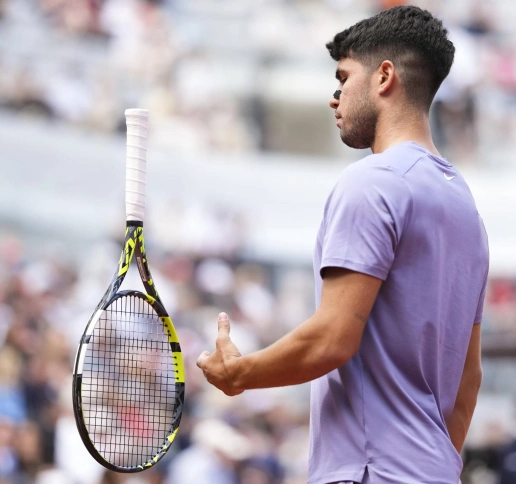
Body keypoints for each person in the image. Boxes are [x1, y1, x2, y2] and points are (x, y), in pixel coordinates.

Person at [197, 6, 489, 483]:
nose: (335, 99)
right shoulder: (466, 209)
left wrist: (241, 374)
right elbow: (468, 382)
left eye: (343, 78)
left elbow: (333, 338)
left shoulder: (371, 182)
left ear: (384, 77)